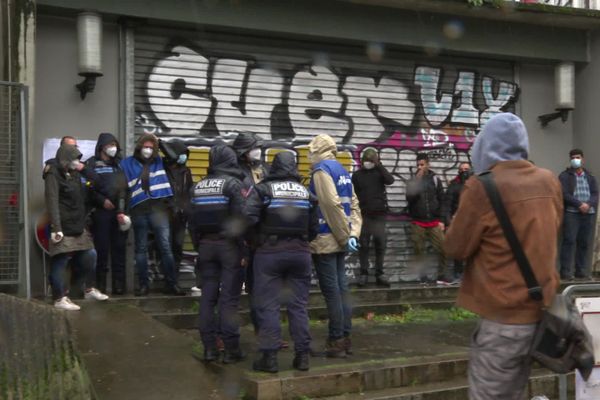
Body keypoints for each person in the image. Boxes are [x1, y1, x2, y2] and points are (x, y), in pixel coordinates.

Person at [444, 113, 562, 400]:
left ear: (485, 145)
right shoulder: (548, 181)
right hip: (541, 315)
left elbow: (455, 248)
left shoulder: (482, 186)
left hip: (502, 318)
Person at [245, 152, 319, 372]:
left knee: (268, 305)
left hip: (269, 253)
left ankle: (269, 359)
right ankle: (302, 356)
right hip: (301, 254)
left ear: (274, 167)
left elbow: (247, 218)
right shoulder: (306, 193)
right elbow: (314, 228)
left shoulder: (263, 190)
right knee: (298, 306)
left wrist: (256, 241)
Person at [189, 145, 247, 364]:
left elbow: (192, 223)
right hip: (229, 247)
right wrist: (243, 250)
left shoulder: (198, 187)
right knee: (229, 299)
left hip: (206, 246)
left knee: (207, 298)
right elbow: (240, 220)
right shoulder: (233, 185)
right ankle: (231, 349)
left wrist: (199, 246)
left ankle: (209, 349)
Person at [308, 133, 362, 358]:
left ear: (318, 150)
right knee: (342, 290)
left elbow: (330, 204)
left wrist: (342, 236)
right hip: (341, 238)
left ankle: (336, 341)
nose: (309, 154)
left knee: (332, 293)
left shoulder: (322, 170)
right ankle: (346, 338)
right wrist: (353, 234)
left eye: (311, 150)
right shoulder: (343, 171)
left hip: (326, 239)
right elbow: (355, 205)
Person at [43, 143, 109, 310]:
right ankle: (59, 298)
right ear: (65, 158)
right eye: (73, 158)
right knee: (61, 259)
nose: (76, 162)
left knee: (90, 255)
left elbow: (98, 182)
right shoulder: (53, 173)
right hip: (62, 225)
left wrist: (82, 168)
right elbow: (52, 201)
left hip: (78, 224)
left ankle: (88, 289)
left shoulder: (74, 173)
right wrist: (56, 227)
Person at [120, 133, 184, 296]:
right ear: (139, 147)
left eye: (151, 147)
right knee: (141, 249)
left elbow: (175, 157)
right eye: (145, 147)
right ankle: (143, 285)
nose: (148, 150)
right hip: (138, 210)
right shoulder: (127, 164)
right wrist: (122, 211)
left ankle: (172, 284)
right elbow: (122, 189)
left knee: (165, 248)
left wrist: (159, 142)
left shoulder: (160, 162)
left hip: (159, 210)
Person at [85, 133, 128, 295]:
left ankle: (119, 285)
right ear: (102, 146)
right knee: (101, 250)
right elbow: (88, 187)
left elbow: (124, 189)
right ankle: (100, 285)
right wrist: (101, 201)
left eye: (115, 144)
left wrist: (121, 209)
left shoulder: (119, 164)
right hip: (101, 212)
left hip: (118, 213)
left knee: (119, 249)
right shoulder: (92, 163)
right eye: (110, 144)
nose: (113, 148)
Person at [352, 148, 394, 287]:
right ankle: (363, 274)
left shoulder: (379, 173)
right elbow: (354, 195)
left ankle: (379, 274)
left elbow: (390, 180)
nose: (368, 163)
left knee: (380, 245)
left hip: (380, 216)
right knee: (363, 245)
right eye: (366, 160)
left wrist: (379, 165)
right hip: (364, 216)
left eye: (371, 161)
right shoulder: (357, 175)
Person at [405, 153, 447, 284]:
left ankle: (441, 275)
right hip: (418, 222)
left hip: (434, 221)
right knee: (419, 250)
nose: (420, 167)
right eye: (418, 165)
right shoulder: (413, 180)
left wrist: (441, 220)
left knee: (443, 248)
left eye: (422, 164)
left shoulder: (435, 179)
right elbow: (409, 199)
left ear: (428, 164)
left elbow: (442, 199)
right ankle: (423, 276)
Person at [559, 149, 598, 280]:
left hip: (588, 213)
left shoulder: (590, 176)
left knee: (584, 243)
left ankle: (580, 271)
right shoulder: (564, 176)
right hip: (572, 213)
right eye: (573, 157)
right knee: (569, 241)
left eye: (578, 157)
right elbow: (564, 194)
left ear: (583, 159)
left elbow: (595, 193)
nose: (576, 159)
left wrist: (588, 204)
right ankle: (565, 272)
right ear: (570, 159)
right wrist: (579, 204)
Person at [160, 139, 193, 273]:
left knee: (177, 247)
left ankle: (174, 278)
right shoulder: (162, 169)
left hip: (181, 216)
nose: (184, 156)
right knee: (165, 248)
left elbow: (189, 192)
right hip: (165, 215)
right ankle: (167, 278)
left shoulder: (186, 171)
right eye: (181, 153)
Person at [442, 162, 472, 282]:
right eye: (462, 169)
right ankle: (458, 273)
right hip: (458, 221)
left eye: (466, 169)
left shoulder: (476, 185)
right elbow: (447, 204)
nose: (464, 171)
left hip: (472, 222)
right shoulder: (454, 185)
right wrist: (448, 221)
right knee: (459, 249)